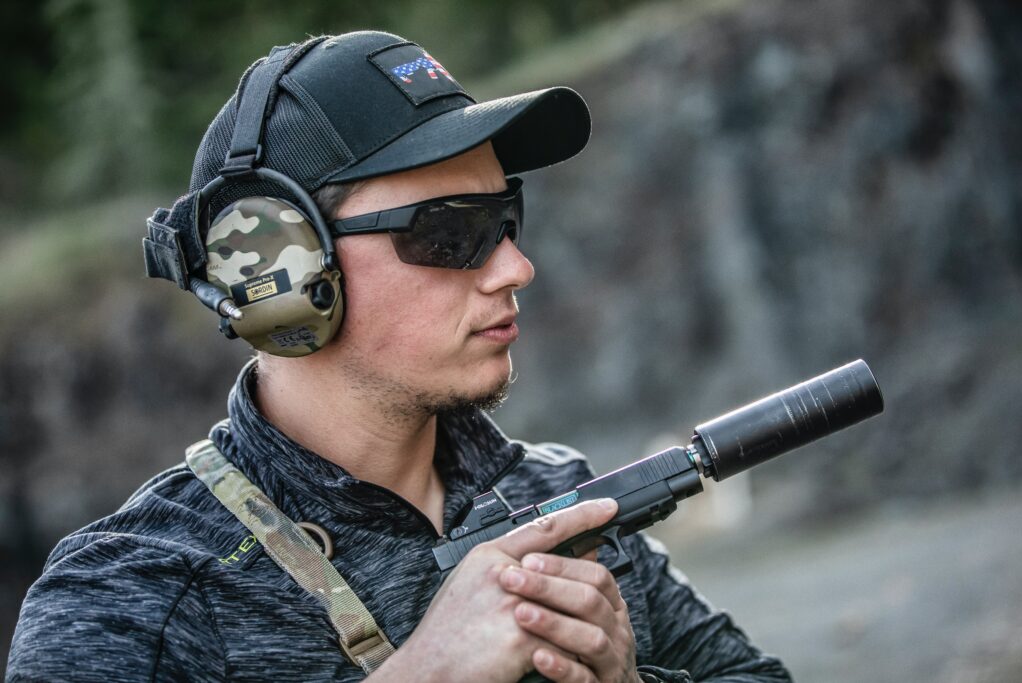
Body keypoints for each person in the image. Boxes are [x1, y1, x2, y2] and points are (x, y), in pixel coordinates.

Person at [7, 31, 791, 683]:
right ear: (278, 269)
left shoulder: (561, 500)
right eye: (450, 231)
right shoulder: (136, 595)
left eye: (506, 217)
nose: (515, 266)